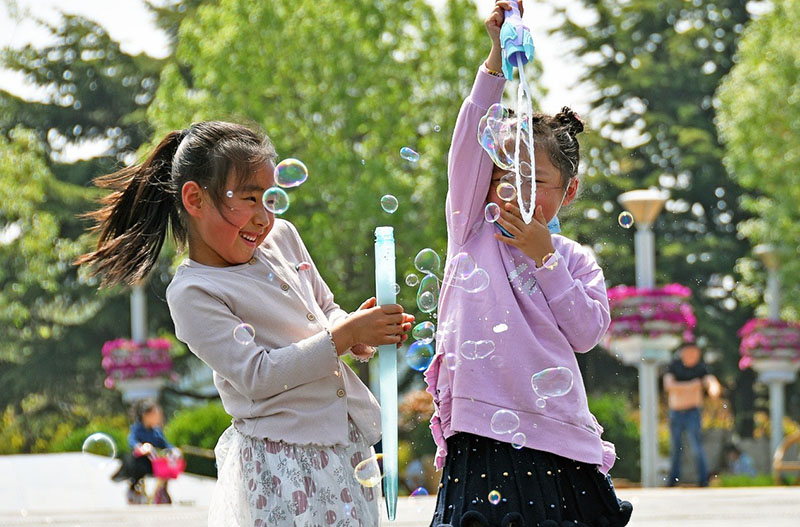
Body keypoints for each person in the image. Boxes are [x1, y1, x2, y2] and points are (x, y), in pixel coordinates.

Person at [77, 121, 414, 525]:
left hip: (345, 443)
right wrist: (345, 335)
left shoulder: (283, 237)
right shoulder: (194, 291)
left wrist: (358, 332)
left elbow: (325, 308)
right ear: (195, 199)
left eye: (270, 200)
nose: (263, 217)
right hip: (284, 462)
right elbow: (257, 375)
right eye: (250, 199)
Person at [423, 2, 633, 525]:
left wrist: (545, 258)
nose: (513, 188)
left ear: (570, 191)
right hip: (481, 430)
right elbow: (468, 143)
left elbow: (586, 333)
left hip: (557, 436)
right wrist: (495, 55)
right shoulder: (472, 231)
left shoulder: (575, 259)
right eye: (502, 175)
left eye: (532, 179)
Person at [663, 343, 722, 487]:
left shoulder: (701, 369)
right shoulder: (674, 367)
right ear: (683, 353)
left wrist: (713, 390)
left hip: (693, 412)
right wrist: (693, 385)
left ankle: (703, 480)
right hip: (676, 412)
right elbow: (669, 386)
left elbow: (711, 381)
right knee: (675, 448)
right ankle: (672, 480)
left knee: (696, 446)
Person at [112, 399, 174, 504]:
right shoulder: (137, 429)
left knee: (167, 465)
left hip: (153, 462)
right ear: (146, 415)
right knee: (138, 465)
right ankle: (134, 488)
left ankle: (161, 490)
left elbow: (164, 443)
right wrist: (140, 447)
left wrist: (173, 449)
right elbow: (132, 440)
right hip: (140, 461)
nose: (159, 417)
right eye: (156, 414)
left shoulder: (156, 431)